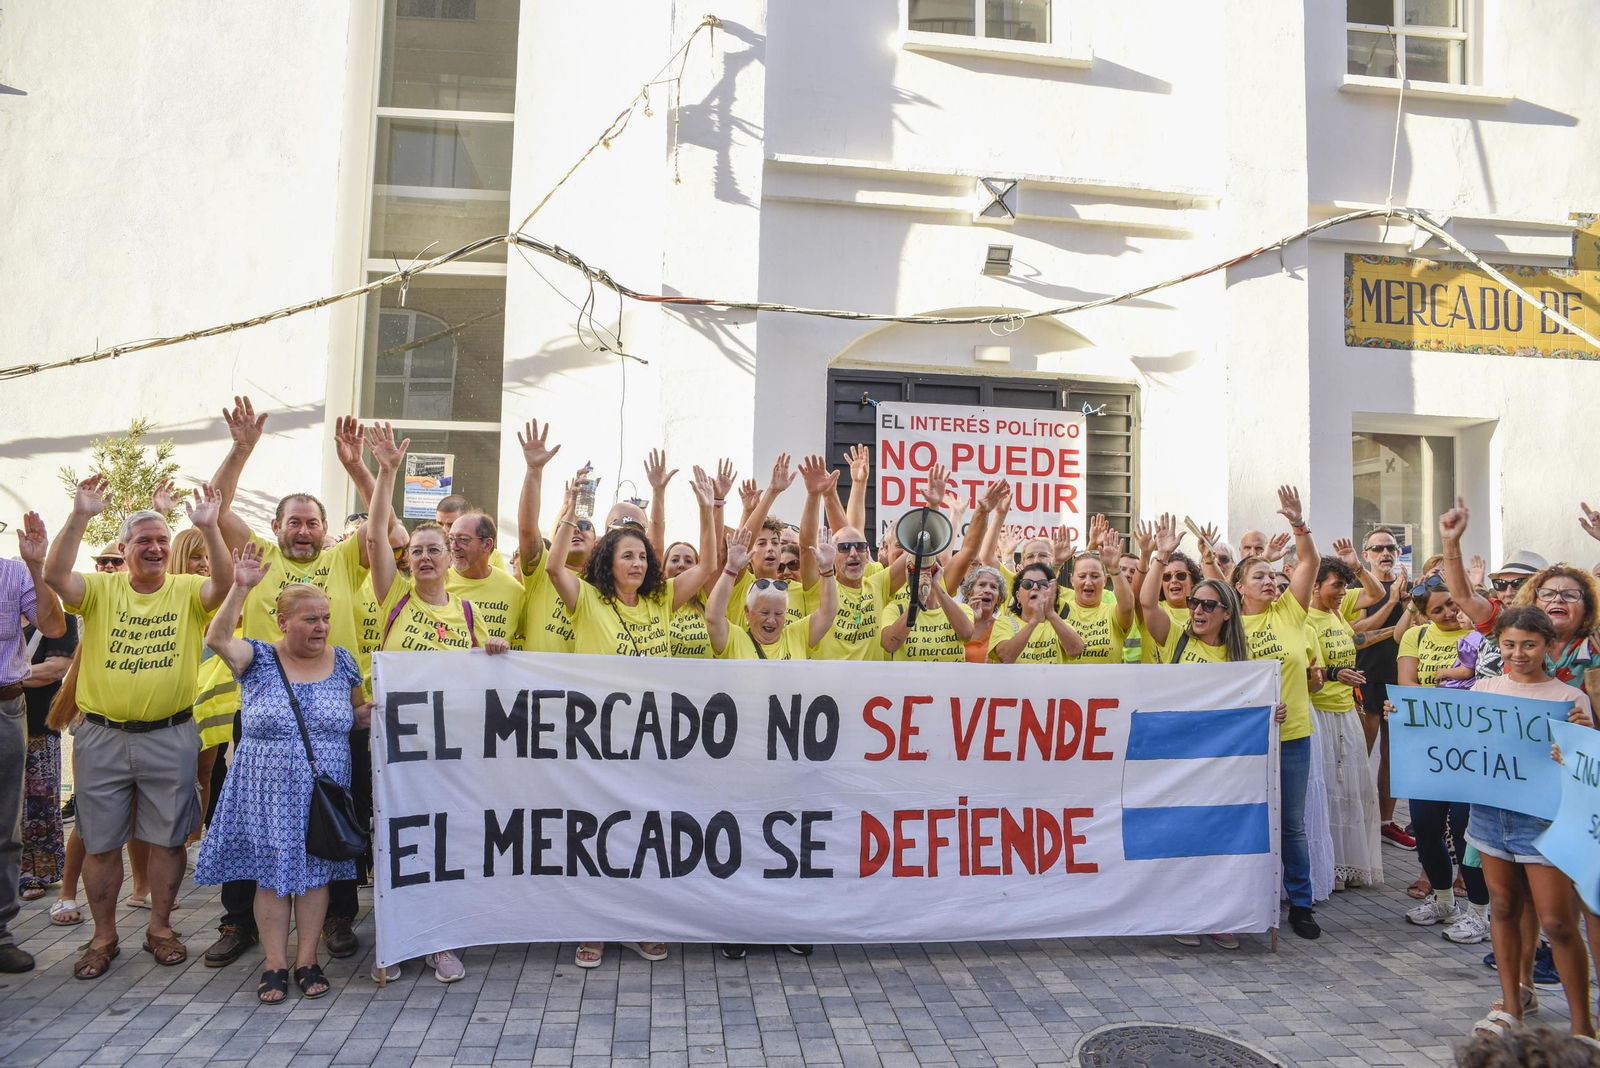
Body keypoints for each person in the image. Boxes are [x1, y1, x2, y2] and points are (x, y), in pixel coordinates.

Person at [203, 401, 393, 970]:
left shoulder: (345, 559)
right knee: (252, 820)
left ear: (326, 530)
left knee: (338, 812)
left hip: (336, 713)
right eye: (295, 522)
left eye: (312, 523)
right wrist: (241, 448)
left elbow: (388, 530)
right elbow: (217, 508)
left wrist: (359, 467)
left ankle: (337, 918)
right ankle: (239, 922)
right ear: (276, 528)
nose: (304, 531)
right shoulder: (257, 558)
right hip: (267, 714)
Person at [43, 481, 233, 978]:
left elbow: (225, 582)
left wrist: (209, 527)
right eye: (143, 540)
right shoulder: (100, 589)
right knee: (100, 841)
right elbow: (56, 574)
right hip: (102, 736)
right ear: (124, 549)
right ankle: (103, 938)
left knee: (169, 841)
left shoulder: (187, 590)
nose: (154, 548)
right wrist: (80, 516)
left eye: (162, 540)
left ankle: (161, 929)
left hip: (171, 734)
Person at [542, 455, 718, 970]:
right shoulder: (587, 600)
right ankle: (595, 927)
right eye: (627, 557)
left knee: (646, 833)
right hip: (597, 742)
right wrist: (573, 507)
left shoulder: (662, 601)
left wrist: (707, 508)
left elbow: (708, 566)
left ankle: (640, 921)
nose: (637, 564)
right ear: (608, 562)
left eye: (642, 556)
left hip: (652, 741)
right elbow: (553, 566)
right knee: (598, 833)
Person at [196, 543, 372, 1004]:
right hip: (265, 791)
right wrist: (240, 587)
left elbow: (355, 716)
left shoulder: (344, 661)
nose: (321, 627)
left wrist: (374, 713)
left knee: (315, 877)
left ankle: (306, 960)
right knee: (271, 879)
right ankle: (274, 964)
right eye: (310, 619)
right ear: (283, 622)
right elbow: (217, 638)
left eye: (325, 618)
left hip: (323, 795)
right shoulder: (256, 658)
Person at [366, 423, 509, 982]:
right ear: (407, 562)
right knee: (395, 841)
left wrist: (496, 651)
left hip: (448, 753)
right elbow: (376, 537)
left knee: (443, 840)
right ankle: (395, 939)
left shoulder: (468, 614)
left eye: (435, 550)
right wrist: (386, 473)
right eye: (417, 551)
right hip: (396, 750)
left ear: (451, 557)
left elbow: (484, 679)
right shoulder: (394, 599)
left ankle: (440, 940)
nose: (425, 557)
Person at [1465, 606, 1594, 1039]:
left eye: (1529, 645)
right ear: (1498, 644)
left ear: (1547, 646)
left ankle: (1582, 1025)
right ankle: (1513, 1005)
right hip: (1490, 813)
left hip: (1544, 820)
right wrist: (1404, 715)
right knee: (1502, 906)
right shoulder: (1484, 688)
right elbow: (1456, 736)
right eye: (1509, 645)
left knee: (1557, 921)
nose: (1518, 654)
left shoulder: (1569, 699)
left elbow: (1583, 765)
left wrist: (1578, 742)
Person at [1231, 486, 1321, 939]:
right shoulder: (1226, 624)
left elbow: (1309, 563)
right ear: (1239, 586)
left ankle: (1301, 905)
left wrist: (1298, 523)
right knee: (1244, 819)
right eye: (1259, 575)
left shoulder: (1289, 613)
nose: (1269, 581)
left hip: (1293, 736)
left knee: (1291, 825)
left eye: (1272, 574)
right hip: (1246, 740)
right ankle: (1244, 898)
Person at [1395, 568, 1492, 941]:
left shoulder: (1481, 635)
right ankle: (1443, 900)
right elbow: (1406, 685)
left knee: (1468, 829)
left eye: (1452, 603)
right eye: (1438, 610)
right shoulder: (1416, 636)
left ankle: (1479, 912)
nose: (1450, 613)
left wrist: (1433, 694)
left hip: (1471, 749)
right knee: (1425, 824)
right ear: (1424, 616)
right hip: (1427, 747)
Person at [1, 513, 70, 973]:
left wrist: (36, 566)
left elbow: (54, 625)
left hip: (5, 707)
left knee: (5, 831)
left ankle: (0, 933)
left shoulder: (13, 574)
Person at [1304, 544, 1386, 893]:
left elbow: (1377, 594)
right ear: (1315, 586)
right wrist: (1335, 674)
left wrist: (1358, 567)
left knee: (1352, 789)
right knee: (1328, 791)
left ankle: (1349, 862)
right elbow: (1311, 671)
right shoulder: (1307, 619)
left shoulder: (1338, 612)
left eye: (1344, 585)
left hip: (1346, 711)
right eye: (1336, 585)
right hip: (1321, 713)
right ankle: (1330, 866)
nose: (1342, 592)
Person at [1354, 526, 1416, 850]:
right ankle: (1355, 821)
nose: (1386, 553)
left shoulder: (1409, 588)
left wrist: (1407, 602)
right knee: (1361, 752)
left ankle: (1386, 823)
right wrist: (1393, 605)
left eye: (1391, 547)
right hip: (1365, 676)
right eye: (1378, 548)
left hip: (1400, 677)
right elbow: (1357, 634)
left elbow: (1420, 629)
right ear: (1366, 555)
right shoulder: (1361, 589)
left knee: (1393, 756)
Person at [19, 604, 77, 906]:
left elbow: (54, 670)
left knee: (39, 803)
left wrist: (7, 674)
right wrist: (24, 674)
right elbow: (37, 672)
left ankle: (36, 872)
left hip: (39, 727)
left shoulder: (59, 620)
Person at [707, 530, 838, 660]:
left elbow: (827, 614)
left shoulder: (797, 636)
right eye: (764, 612)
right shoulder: (735, 640)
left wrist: (827, 569)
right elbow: (713, 618)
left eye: (778, 613)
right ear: (747, 611)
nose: (771, 620)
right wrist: (731, 569)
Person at [1058, 517, 1135, 663]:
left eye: (1095, 576)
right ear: (1072, 580)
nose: (1088, 582)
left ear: (1105, 580)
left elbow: (1127, 606)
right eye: (1082, 576)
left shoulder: (1112, 612)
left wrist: (1114, 568)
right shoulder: (1061, 609)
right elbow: (1039, 594)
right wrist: (1055, 564)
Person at [446, 512, 525, 648]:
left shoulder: (514, 590)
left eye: (463, 539)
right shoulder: (435, 585)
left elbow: (526, 638)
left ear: (487, 545)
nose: (454, 546)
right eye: (451, 539)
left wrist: (505, 647)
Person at [991, 565, 1085, 664]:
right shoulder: (1004, 623)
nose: (1035, 587)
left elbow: (1076, 650)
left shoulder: (1061, 625)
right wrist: (1034, 622)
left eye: (1043, 584)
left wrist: (1051, 613)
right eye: (1027, 584)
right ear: (1018, 596)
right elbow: (1005, 657)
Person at [436, 494, 508, 571]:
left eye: (451, 524)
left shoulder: (490, 554)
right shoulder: (430, 552)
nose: (444, 530)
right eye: (440, 524)